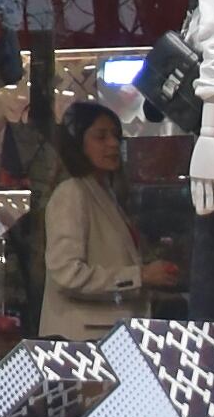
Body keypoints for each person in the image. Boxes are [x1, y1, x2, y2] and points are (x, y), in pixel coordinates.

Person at [37, 99, 147, 339]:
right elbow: (68, 274)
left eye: (116, 136)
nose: (113, 144)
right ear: (78, 144)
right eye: (101, 137)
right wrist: (140, 276)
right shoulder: (71, 193)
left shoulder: (105, 193)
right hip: (83, 341)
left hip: (108, 338)